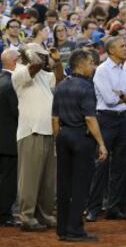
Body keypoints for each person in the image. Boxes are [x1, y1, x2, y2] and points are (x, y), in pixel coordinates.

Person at [52, 50, 108, 242]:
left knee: (64, 184)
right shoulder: (86, 86)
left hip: (63, 136)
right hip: (81, 138)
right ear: (81, 64)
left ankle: (63, 230)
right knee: (81, 185)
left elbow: (54, 119)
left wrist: (59, 139)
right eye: (91, 63)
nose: (93, 67)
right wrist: (101, 143)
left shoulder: (61, 85)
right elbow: (90, 119)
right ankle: (75, 230)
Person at [12, 43, 64, 231]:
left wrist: (57, 62)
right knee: (30, 179)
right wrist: (27, 50)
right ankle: (26, 216)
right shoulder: (19, 72)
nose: (43, 58)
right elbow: (34, 65)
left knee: (47, 180)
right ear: (28, 55)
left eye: (44, 56)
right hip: (31, 132)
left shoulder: (43, 75)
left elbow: (59, 79)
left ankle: (45, 214)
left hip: (49, 131)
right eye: (39, 55)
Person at [86, 37, 126, 222]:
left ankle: (114, 207)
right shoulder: (102, 70)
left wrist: (122, 95)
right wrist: (123, 95)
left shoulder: (125, 70)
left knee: (121, 165)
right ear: (111, 50)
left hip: (123, 118)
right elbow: (109, 98)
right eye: (122, 46)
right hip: (105, 119)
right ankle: (93, 208)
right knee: (101, 163)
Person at [0, 49, 19, 227]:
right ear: (14, 61)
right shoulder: (11, 83)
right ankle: (5, 214)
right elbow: (17, 112)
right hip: (9, 140)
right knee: (8, 179)